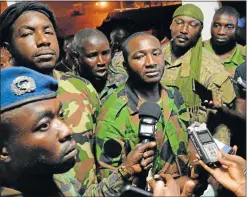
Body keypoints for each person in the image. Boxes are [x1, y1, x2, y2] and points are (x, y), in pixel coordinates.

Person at [0, 67, 157, 196]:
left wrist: (126, 169)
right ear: (3, 150)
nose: (67, 130)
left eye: (61, 116)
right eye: (44, 125)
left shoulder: (53, 176)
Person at [0, 2, 100, 192]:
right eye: (28, 33)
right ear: (8, 48)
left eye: (48, 32)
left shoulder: (82, 87)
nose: (43, 40)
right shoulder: (5, 103)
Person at [96, 32, 191, 190]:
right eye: (139, 56)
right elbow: (111, 182)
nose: (151, 62)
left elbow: (187, 141)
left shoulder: (174, 95)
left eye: (156, 53)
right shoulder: (112, 115)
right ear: (125, 66)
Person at [161, 4, 236, 145]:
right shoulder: (155, 56)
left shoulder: (210, 66)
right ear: (171, 25)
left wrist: (218, 156)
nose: (184, 30)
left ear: (200, 30)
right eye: (179, 22)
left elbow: (222, 121)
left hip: (193, 143)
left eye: (192, 25)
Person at [71, 28, 126, 103]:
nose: (101, 62)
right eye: (92, 55)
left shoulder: (124, 80)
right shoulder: (67, 86)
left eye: (105, 53)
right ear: (76, 57)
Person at [203, 6, 246, 77]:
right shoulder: (195, 50)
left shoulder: (244, 56)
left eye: (229, 27)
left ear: (237, 29)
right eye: (216, 25)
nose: (221, 32)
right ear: (211, 25)